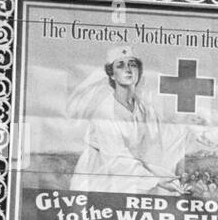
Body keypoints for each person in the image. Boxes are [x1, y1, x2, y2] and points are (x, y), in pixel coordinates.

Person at [68, 45, 190, 195]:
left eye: (133, 65)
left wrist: (190, 126)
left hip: (130, 177)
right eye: (120, 66)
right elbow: (118, 160)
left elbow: (156, 144)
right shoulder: (104, 112)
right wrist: (157, 180)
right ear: (112, 74)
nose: (128, 69)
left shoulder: (144, 109)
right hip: (99, 182)